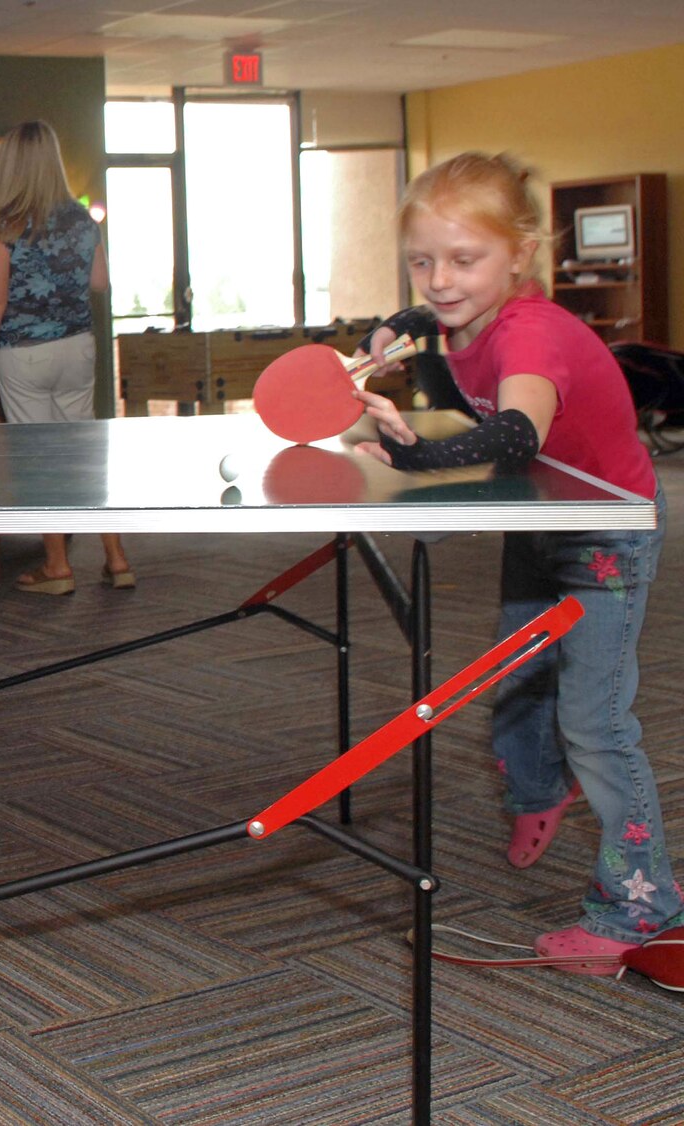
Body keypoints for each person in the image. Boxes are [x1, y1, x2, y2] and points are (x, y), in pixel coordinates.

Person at [353, 152, 681, 969]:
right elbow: (428, 323)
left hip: (607, 534)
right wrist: (389, 331)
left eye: (464, 259)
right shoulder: (459, 312)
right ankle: (541, 789)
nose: (440, 280)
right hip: (542, 515)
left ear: (522, 255)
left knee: (595, 723)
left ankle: (642, 907)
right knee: (520, 671)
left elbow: (515, 432)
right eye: (422, 261)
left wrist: (413, 457)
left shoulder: (531, 332)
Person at [0, 121, 132, 595]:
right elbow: (100, 283)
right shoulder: (83, 220)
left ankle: (58, 566)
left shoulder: (4, 226)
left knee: (37, 462)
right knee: (84, 455)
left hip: (24, 355)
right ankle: (117, 558)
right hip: (77, 347)